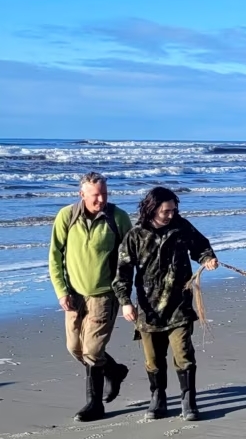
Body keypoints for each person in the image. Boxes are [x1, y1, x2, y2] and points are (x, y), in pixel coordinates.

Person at [112, 186, 218, 421]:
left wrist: (208, 258)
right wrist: (125, 302)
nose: (172, 214)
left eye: (174, 209)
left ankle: (188, 401)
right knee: (153, 359)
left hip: (179, 304)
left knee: (183, 354)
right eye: (166, 211)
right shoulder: (136, 235)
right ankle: (158, 398)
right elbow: (123, 271)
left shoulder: (181, 227)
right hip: (148, 309)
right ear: (152, 209)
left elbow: (201, 246)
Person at [48, 171, 134, 422]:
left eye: (104, 194)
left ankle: (94, 405)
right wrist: (61, 291)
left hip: (105, 295)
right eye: (95, 195)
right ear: (82, 194)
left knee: (93, 351)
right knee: (74, 348)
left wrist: (127, 295)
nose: (100, 200)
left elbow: (130, 258)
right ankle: (114, 371)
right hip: (74, 295)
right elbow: (55, 256)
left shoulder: (117, 218)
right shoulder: (67, 216)